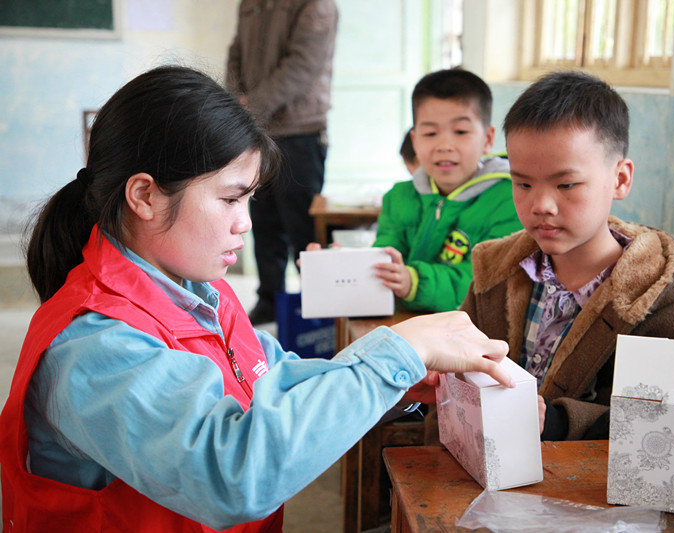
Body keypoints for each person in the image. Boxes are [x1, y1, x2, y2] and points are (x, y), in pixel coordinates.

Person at [0, 66, 515, 533]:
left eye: (248, 199)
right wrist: (394, 356)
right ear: (145, 196)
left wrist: (391, 383)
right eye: (229, 198)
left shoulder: (200, 291)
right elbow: (232, 474)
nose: (244, 222)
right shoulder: (95, 346)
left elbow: (272, 380)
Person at [461, 71, 674, 441]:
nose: (541, 205)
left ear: (620, 180)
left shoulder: (666, 313)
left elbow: (671, 431)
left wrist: (558, 423)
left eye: (566, 185)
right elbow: (458, 387)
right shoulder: (494, 277)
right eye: (523, 183)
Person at [373, 69, 522, 313]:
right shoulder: (399, 197)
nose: (444, 146)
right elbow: (385, 256)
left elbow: (483, 283)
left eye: (461, 132)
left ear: (487, 139)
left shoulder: (510, 199)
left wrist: (414, 282)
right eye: (430, 133)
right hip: (406, 328)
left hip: (475, 336)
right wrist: (350, 266)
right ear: (415, 140)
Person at [225, 0, 338, 325]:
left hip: (301, 131)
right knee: (263, 221)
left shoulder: (316, 5)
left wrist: (253, 104)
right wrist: (236, 100)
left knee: (304, 227)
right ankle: (270, 301)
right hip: (257, 128)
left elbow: (302, 65)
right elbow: (237, 52)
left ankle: (316, 311)